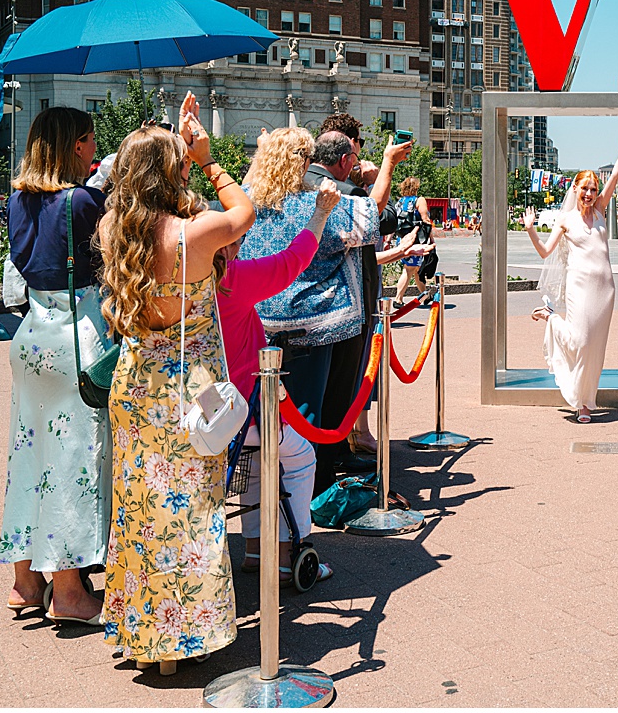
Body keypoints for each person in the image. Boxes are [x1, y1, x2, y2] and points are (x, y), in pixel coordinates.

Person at [98, 94, 256, 673]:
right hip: (187, 392)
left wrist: (174, 150)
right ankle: (182, 639)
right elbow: (245, 213)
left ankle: (145, 637)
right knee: (192, 514)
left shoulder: (115, 228)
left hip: (135, 384)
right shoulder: (194, 235)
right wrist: (210, 160)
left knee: (140, 513)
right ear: (173, 174)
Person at [239, 128, 398, 493]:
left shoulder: (245, 201)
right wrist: (387, 164)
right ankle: (307, 495)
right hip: (315, 325)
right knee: (309, 415)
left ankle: (264, 490)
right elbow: (374, 216)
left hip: (258, 324)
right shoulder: (316, 204)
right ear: (301, 163)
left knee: (263, 415)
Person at [0, 106, 109, 625]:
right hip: (75, 337)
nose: (94, 148)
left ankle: (26, 580)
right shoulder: (85, 201)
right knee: (71, 463)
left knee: (29, 459)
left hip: (31, 337)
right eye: (89, 140)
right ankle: (68, 592)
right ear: (75, 146)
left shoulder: (17, 201)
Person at [215, 179, 342, 584]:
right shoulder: (232, 280)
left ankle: (254, 546)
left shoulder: (180, 284)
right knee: (300, 457)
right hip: (246, 408)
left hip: (207, 413)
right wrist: (320, 212)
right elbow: (295, 259)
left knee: (253, 467)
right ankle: (292, 550)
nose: (239, 247)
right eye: (235, 241)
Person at [303, 127, 413, 489]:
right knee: (331, 402)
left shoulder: (295, 185)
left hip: (291, 312)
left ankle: (315, 473)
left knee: (307, 404)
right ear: (346, 160)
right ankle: (320, 484)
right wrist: (386, 165)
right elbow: (379, 216)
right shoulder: (341, 193)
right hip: (335, 316)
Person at [524, 138, 618, 422]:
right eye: (585, 188)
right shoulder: (565, 220)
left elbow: (616, 178)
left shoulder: (600, 211)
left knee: (595, 348)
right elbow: (545, 251)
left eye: (593, 189)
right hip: (579, 288)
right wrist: (530, 230)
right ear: (575, 189)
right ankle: (551, 318)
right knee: (581, 340)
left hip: (605, 289)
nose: (590, 193)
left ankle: (585, 403)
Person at [393, 176, 434, 306]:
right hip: (416, 238)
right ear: (416, 187)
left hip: (402, 238)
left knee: (417, 269)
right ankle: (398, 299)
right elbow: (425, 218)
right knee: (409, 269)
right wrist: (431, 237)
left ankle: (425, 295)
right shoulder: (419, 200)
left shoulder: (399, 202)